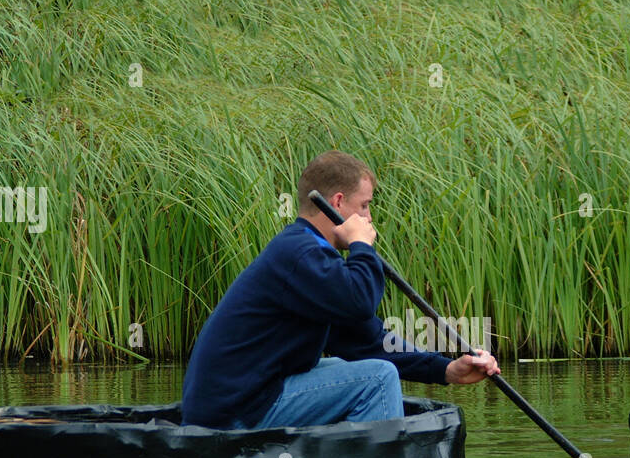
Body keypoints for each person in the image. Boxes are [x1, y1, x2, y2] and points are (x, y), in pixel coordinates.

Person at [182, 151, 500, 429]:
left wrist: (446, 369)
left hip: (243, 402)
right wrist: (361, 245)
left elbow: (368, 341)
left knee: (351, 367)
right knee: (377, 379)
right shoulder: (300, 253)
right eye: (364, 206)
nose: (369, 218)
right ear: (337, 203)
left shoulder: (312, 254)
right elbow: (359, 302)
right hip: (232, 414)